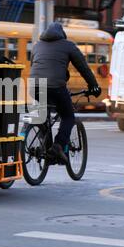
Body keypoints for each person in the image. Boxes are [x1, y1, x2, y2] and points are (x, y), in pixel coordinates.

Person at [30, 22, 101, 163]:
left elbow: (35, 65)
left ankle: (45, 147)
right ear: (62, 35)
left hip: (35, 87)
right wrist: (94, 86)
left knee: (43, 116)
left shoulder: (37, 45)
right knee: (68, 116)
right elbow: (83, 67)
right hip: (56, 87)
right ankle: (57, 146)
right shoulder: (67, 45)